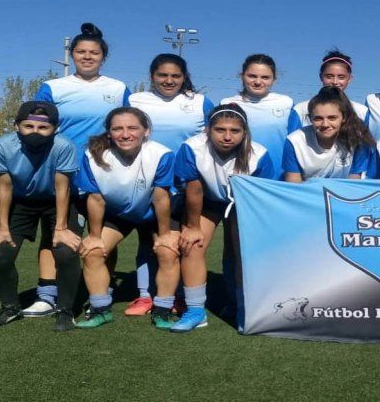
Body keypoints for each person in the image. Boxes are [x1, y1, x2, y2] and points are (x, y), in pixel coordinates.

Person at [28, 22, 130, 318]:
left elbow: (124, 127)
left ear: (103, 56)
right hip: (61, 171)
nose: (87, 57)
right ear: (72, 54)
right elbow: (38, 126)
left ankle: (102, 291)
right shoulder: (53, 88)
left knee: (103, 233)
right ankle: (47, 294)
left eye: (94, 53)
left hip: (103, 171)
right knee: (55, 233)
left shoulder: (117, 88)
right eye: (81, 52)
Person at [124, 53, 214, 316]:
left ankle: (179, 296)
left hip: (189, 185)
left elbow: (216, 132)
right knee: (147, 241)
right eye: (162, 75)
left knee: (185, 243)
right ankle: (144, 296)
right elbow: (122, 128)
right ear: (152, 76)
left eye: (175, 76)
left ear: (184, 77)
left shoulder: (199, 102)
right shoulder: (136, 100)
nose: (169, 80)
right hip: (148, 183)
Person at [74, 108, 181, 330]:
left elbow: (161, 197)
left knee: (167, 251)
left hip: (152, 213)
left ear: (146, 131)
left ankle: (163, 308)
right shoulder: (92, 156)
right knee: (93, 251)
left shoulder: (161, 154)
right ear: (109, 132)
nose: (125, 134)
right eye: (117, 129)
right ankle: (100, 309)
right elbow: (95, 199)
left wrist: (164, 236)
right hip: (118, 215)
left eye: (132, 128)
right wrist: (94, 236)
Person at [174, 103, 274, 332]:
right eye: (220, 130)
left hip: (243, 204)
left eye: (235, 131)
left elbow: (259, 197)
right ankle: (196, 310)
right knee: (192, 245)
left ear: (244, 132)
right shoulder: (193, 148)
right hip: (207, 202)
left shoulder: (259, 154)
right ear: (208, 130)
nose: (227, 136)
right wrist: (192, 226)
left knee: (242, 253)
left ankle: (244, 308)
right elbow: (194, 190)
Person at [0, 101, 82, 331]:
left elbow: (62, 187)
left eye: (43, 128)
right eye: (28, 126)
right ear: (17, 125)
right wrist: (3, 227)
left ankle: (65, 311)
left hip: (57, 200)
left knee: (66, 251)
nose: (35, 132)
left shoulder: (64, 146)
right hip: (21, 201)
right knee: (0, 253)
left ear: (55, 128)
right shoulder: (1, 146)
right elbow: (5, 188)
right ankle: (10, 307)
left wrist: (60, 228)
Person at [220, 54, 296, 179]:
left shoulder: (285, 103)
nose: (258, 82)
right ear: (242, 76)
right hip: (240, 177)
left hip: (279, 177)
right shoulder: (227, 104)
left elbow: (297, 142)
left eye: (265, 77)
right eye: (252, 76)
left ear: (274, 79)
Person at [283, 86, 375, 182]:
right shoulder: (294, 141)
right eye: (318, 118)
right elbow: (293, 183)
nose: (325, 124)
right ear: (310, 118)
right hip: (307, 194)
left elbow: (354, 181)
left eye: (332, 118)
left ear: (343, 117)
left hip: (342, 194)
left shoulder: (358, 140)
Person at [289, 50, 369, 130]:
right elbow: (293, 139)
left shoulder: (361, 111)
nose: (335, 82)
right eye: (329, 76)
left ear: (349, 79)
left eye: (341, 77)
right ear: (321, 77)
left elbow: (365, 140)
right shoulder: (301, 109)